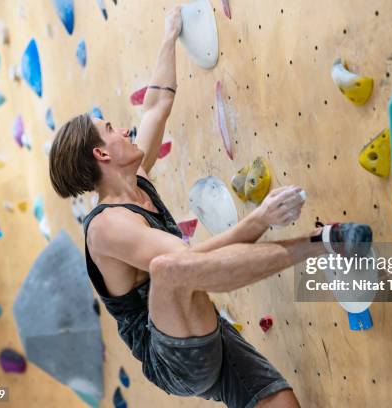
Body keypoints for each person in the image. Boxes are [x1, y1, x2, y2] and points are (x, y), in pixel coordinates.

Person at [49, 6, 372, 407]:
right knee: (168, 269)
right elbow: (186, 263)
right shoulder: (106, 226)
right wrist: (259, 220)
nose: (122, 127)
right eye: (111, 129)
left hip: (200, 325)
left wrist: (170, 34)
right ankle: (320, 243)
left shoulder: (138, 180)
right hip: (170, 357)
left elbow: (156, 104)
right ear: (101, 153)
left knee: (280, 402)